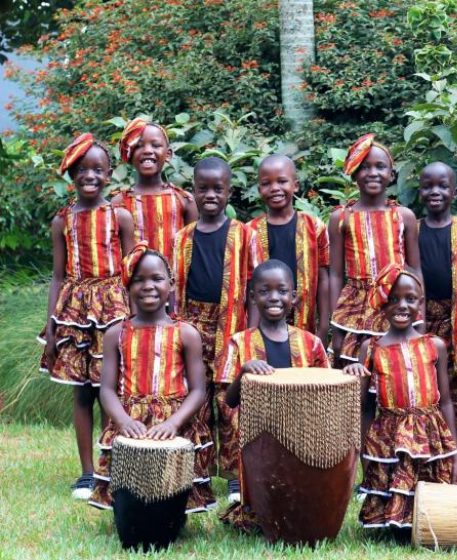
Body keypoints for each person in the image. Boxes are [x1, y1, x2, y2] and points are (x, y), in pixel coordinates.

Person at [39, 134, 135, 499]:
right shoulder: (61, 220)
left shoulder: (119, 216)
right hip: (76, 312)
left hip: (113, 308)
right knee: (83, 392)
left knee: (113, 389)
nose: (89, 176)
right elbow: (59, 276)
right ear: (72, 175)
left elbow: (131, 269)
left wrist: (136, 316)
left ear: (109, 174)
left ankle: (112, 465)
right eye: (82, 169)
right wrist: (52, 325)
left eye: (98, 169)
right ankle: (86, 472)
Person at [89, 244, 215, 512]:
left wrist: (173, 422)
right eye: (139, 280)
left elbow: (198, 391)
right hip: (131, 420)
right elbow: (107, 390)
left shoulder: (186, 333)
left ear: (170, 284)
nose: (148, 286)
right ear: (127, 286)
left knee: (172, 494)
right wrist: (123, 421)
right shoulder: (116, 333)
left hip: (175, 419)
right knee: (132, 496)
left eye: (156, 279)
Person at [345, 264, 457, 531]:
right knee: (393, 479)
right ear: (382, 303)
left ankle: (425, 523)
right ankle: (394, 523)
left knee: (429, 489)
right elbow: (365, 407)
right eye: (394, 298)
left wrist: (454, 454)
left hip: (429, 430)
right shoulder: (370, 348)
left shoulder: (435, 346)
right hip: (389, 432)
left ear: (420, 304)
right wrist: (365, 451)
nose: (402, 305)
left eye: (410, 299)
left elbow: (445, 401)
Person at [216, 260, 330, 528]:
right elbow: (228, 401)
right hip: (258, 437)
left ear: (293, 296)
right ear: (253, 297)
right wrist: (244, 372)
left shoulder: (310, 343)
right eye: (264, 291)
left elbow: (327, 388)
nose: (274, 297)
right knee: (263, 506)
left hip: (302, 435)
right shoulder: (240, 342)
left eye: (282, 290)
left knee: (300, 503)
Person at [172, 157, 263, 489]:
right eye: (203, 188)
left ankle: (236, 476)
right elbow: (175, 289)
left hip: (231, 328)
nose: (210, 195)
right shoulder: (182, 237)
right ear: (193, 192)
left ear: (229, 191)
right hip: (191, 327)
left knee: (230, 403)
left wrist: (249, 336)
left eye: (218, 189)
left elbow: (255, 289)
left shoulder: (245, 235)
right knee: (194, 398)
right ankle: (197, 470)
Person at [416, 162, 457, 478]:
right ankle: (429, 460)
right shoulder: (412, 230)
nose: (435, 192)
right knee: (428, 389)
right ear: (420, 191)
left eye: (442, 186)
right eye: (428, 186)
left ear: (454, 191)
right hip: (423, 319)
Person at [329, 134, 420, 364]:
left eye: (380, 167)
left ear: (391, 174)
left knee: (396, 364)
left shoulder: (404, 217)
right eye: (364, 167)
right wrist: (336, 325)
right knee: (353, 368)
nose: (372, 173)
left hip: (396, 301)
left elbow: (415, 269)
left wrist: (422, 317)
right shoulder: (341, 218)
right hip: (356, 307)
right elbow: (336, 274)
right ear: (354, 173)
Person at [247, 154, 330, 337]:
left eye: (282, 181)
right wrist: (250, 332)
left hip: (305, 325)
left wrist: (324, 325)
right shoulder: (249, 232)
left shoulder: (314, 228)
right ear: (259, 189)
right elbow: (247, 285)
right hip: (261, 326)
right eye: (267, 183)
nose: (275, 188)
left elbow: (324, 278)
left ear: (296, 185)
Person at [110, 118, 197, 266]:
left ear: (168, 154)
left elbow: (194, 252)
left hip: (176, 286)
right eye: (138, 146)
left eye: (156, 145)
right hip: (134, 286)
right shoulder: (119, 203)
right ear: (129, 154)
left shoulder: (183, 200)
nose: (148, 150)